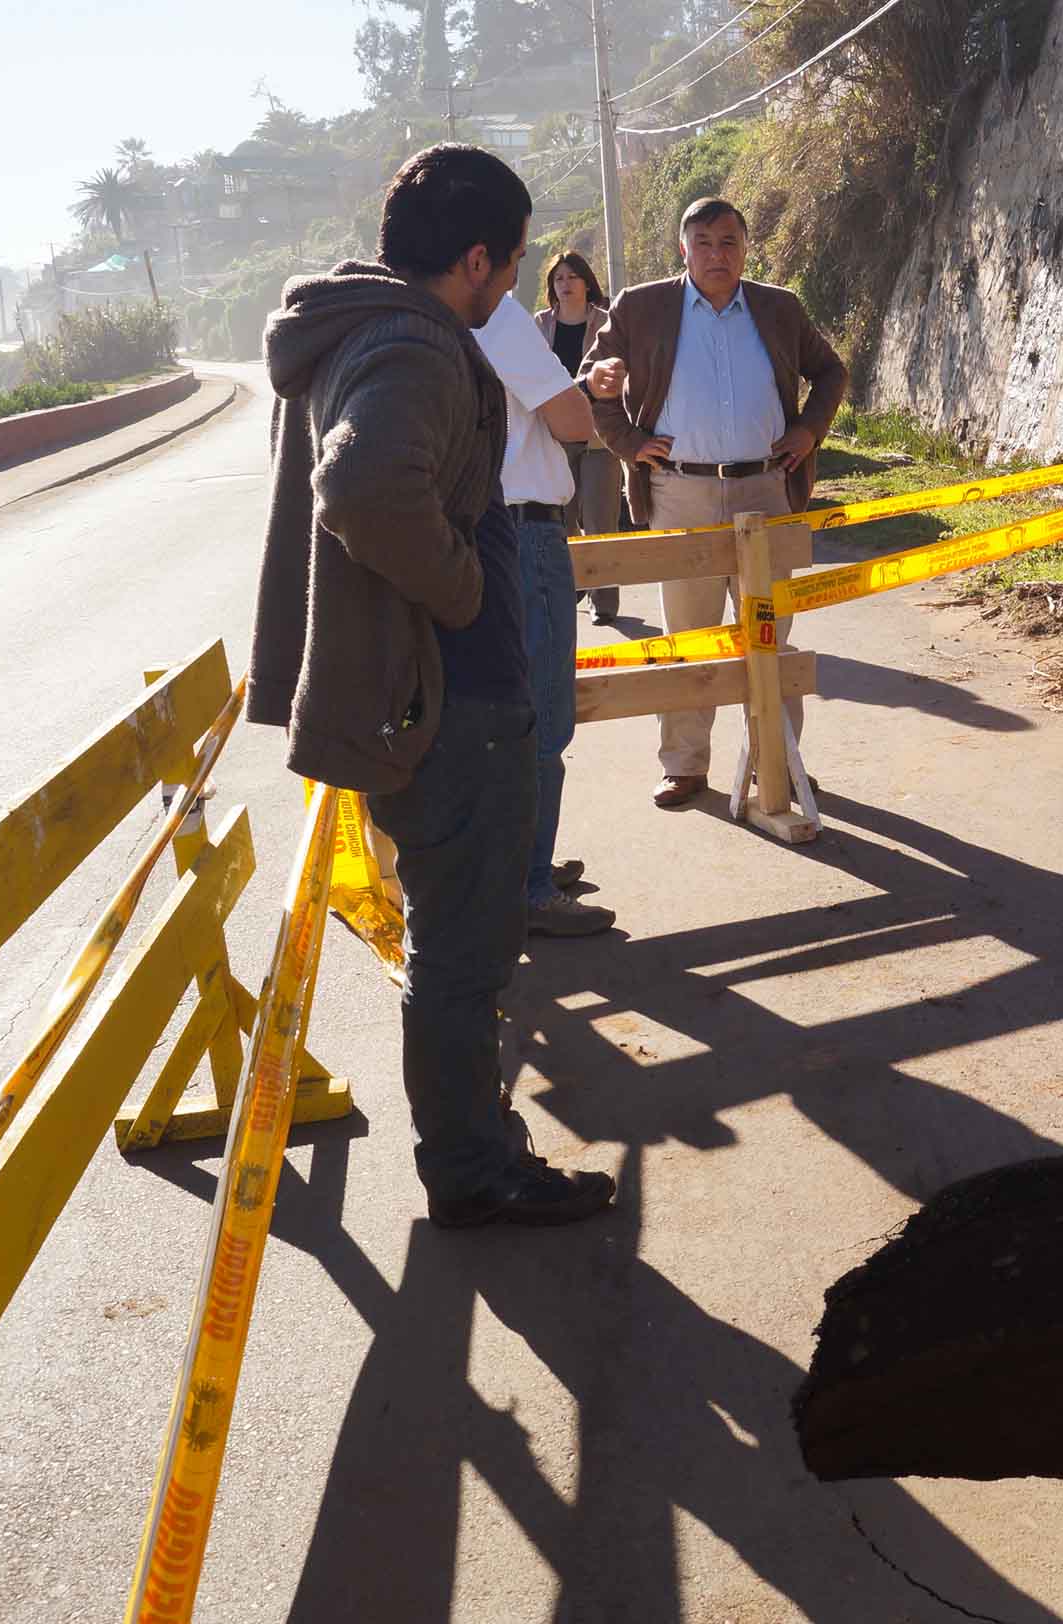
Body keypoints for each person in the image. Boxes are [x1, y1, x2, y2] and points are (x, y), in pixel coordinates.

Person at [248, 143, 616, 1227]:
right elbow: (363, 484)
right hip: (449, 701)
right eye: (506, 264)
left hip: (426, 695)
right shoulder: (413, 339)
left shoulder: (358, 325)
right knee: (465, 954)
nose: (510, 283)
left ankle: (473, 1148)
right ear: (474, 257)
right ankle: (472, 1168)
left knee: (457, 944)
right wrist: (463, 593)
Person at [582, 197, 848, 809]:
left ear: (746, 247)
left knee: (771, 633)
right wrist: (627, 442)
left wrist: (808, 432)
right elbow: (591, 379)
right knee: (689, 634)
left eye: (728, 242)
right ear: (684, 249)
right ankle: (684, 764)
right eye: (702, 242)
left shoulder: (778, 308)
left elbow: (830, 372)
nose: (716, 255)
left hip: (766, 488)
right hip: (681, 491)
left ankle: (776, 761)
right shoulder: (641, 307)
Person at [474, 292, 617, 938]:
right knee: (542, 719)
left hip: (483, 532)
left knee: (507, 717)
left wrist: (573, 385)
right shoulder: (497, 316)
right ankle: (531, 888)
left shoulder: (429, 311)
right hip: (527, 531)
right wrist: (578, 391)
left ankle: (519, 869)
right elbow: (573, 424)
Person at [537, 250, 624, 625]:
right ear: (552, 287)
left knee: (601, 518)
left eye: (572, 276)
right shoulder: (539, 326)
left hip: (600, 436)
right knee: (562, 519)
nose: (566, 284)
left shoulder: (607, 322)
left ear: (587, 282)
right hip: (556, 434)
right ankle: (572, 586)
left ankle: (603, 602)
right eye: (559, 278)